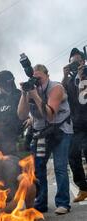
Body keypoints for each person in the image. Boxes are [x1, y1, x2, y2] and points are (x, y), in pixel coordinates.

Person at [18, 64, 73, 215]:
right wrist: (24, 94)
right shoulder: (31, 90)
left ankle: (63, 203)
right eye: (34, 79)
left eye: (39, 78)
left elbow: (50, 115)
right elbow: (21, 115)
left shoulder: (56, 88)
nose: (37, 82)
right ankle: (41, 203)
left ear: (47, 75)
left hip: (60, 130)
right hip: (42, 133)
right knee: (39, 167)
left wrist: (35, 95)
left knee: (60, 166)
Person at [62, 47, 87, 202]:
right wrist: (65, 76)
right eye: (72, 63)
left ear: (83, 61)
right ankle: (83, 188)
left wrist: (82, 75)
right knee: (73, 156)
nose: (74, 64)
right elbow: (60, 94)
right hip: (76, 124)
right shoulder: (69, 81)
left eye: (77, 61)